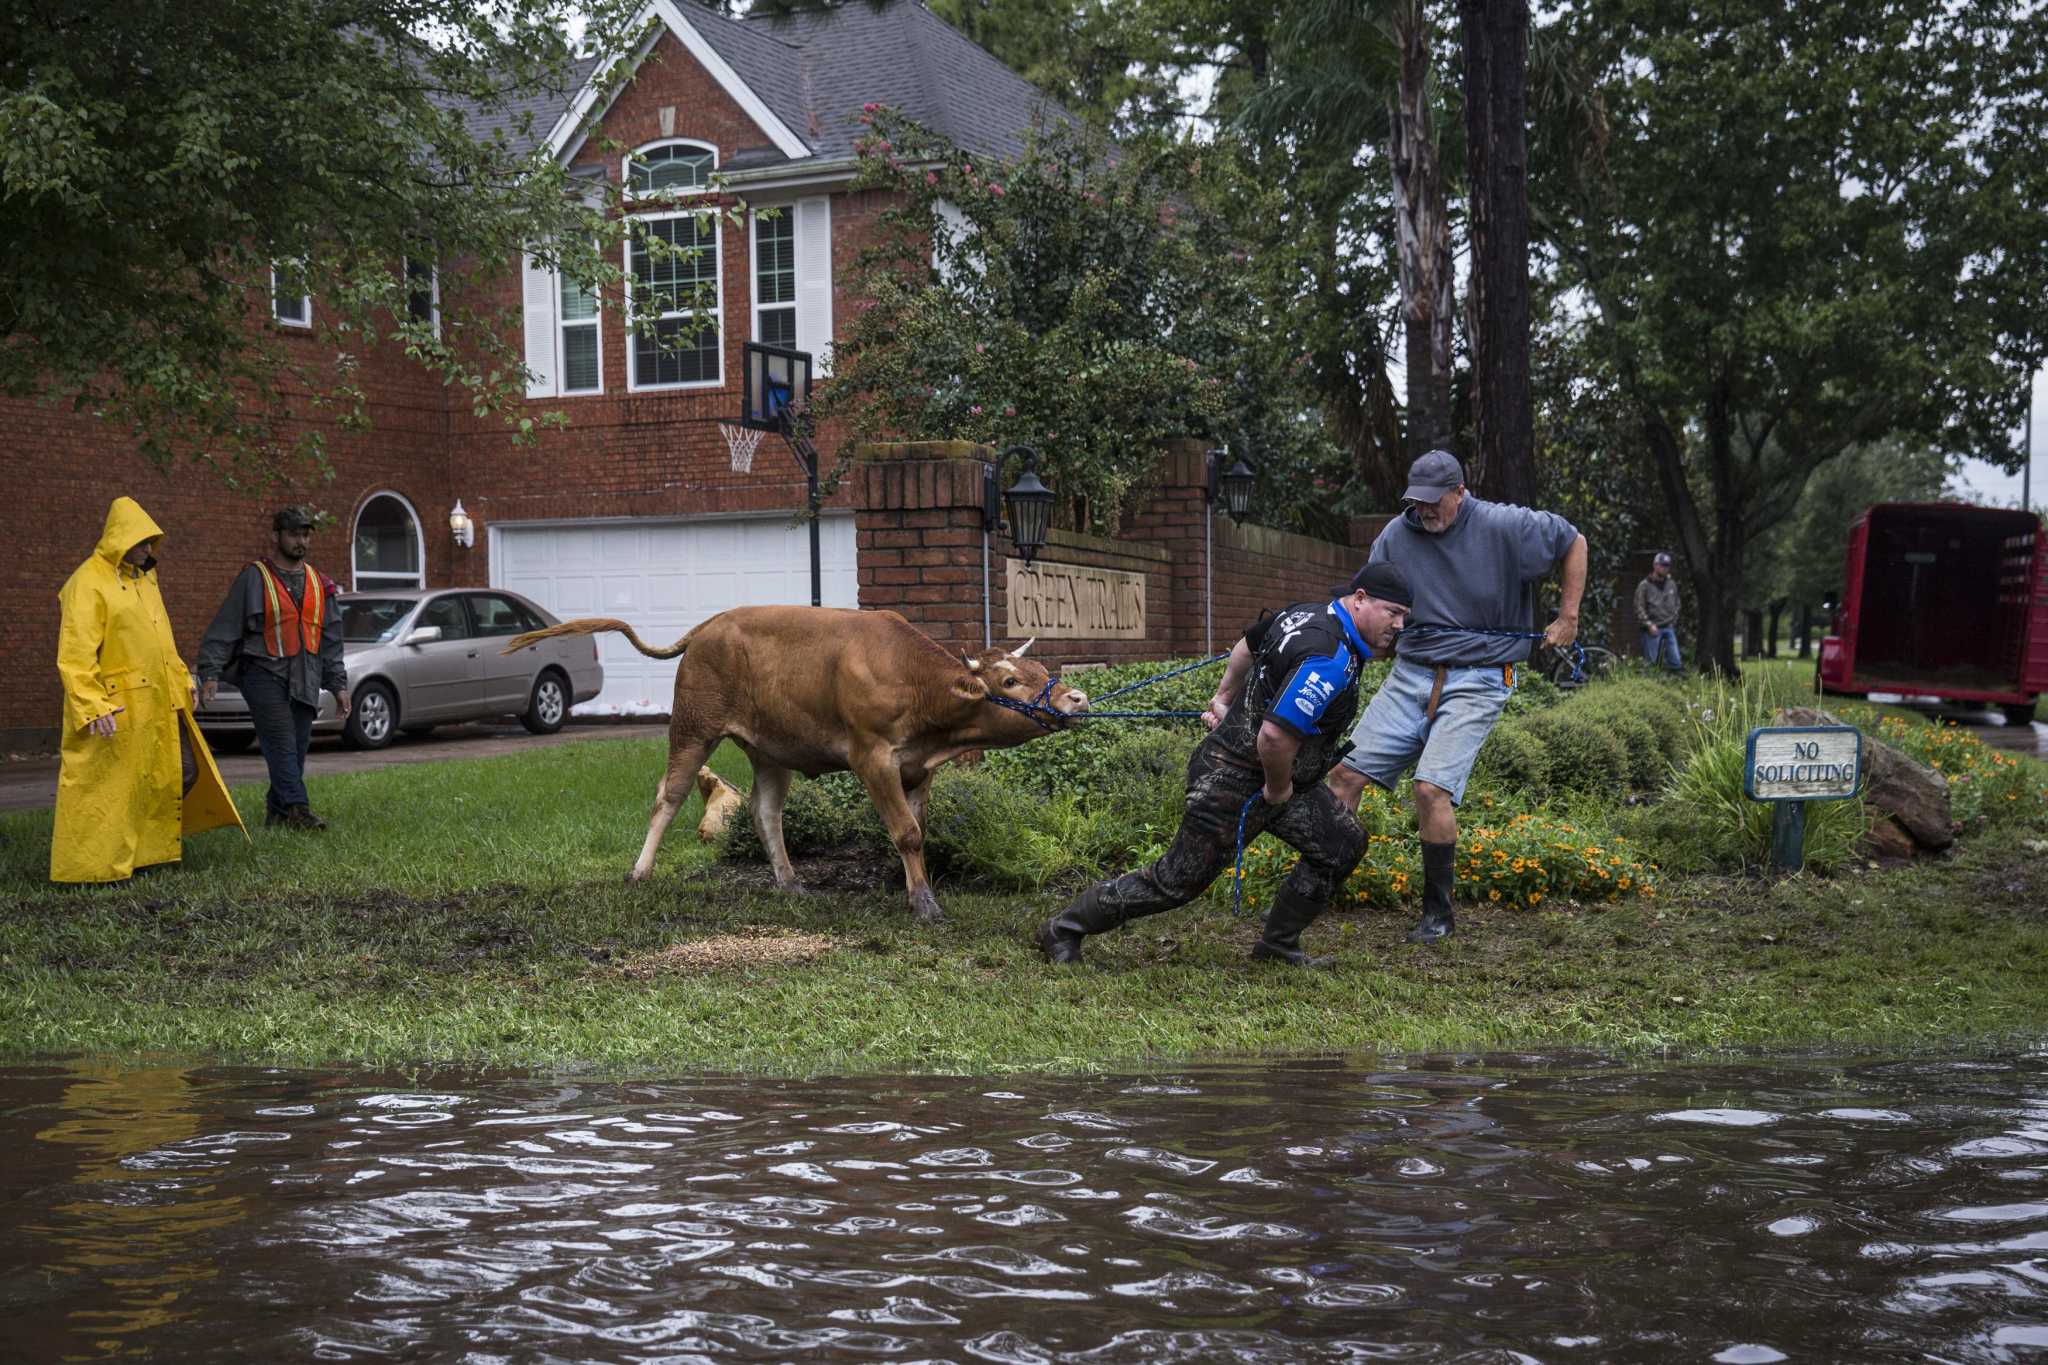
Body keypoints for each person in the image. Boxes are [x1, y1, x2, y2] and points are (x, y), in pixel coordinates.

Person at [1034, 563, 1414, 968]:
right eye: (1393, 612)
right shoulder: (1329, 657)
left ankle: (1278, 945)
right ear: (1359, 600)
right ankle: (1063, 929)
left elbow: (1248, 645)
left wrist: (1224, 697)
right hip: (1233, 777)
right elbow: (1274, 737)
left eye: (1405, 616)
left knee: (1342, 842)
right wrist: (1278, 790)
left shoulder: (1304, 614)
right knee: (1175, 881)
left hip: (1278, 774)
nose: (1400, 624)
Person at [1326, 450, 1587, 945]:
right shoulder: (1396, 535)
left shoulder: (1505, 525)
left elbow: (1574, 540)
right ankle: (1320, 883)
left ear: (1460, 492)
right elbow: (1368, 596)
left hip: (1481, 676)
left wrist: (1567, 616)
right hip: (1411, 672)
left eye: (1434, 502)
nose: (1424, 511)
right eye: (1416, 502)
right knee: (1343, 774)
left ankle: (1437, 914)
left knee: (1430, 789)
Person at [52, 498, 246, 883]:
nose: (149, 550)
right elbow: (75, 654)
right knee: (109, 788)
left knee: (172, 773)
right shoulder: (86, 583)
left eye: (151, 543)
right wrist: (92, 705)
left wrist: (181, 681)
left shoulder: (145, 580)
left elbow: (162, 642)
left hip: (158, 701)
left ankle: (144, 851)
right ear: (120, 540)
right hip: (118, 707)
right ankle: (94, 867)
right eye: (143, 543)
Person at [196, 507, 351, 830]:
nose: (301, 541)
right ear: (275, 536)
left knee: (295, 748)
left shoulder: (320, 583)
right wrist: (209, 673)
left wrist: (338, 686)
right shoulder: (254, 577)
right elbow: (224, 629)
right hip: (263, 674)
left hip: (306, 675)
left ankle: (277, 813)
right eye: (294, 534)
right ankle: (299, 810)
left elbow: (331, 640)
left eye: (306, 534)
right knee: (280, 740)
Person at [1635, 551, 1682, 672]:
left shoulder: (1671, 584)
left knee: (1675, 661)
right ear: (1655, 566)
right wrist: (1649, 624)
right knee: (1652, 663)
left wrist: (1674, 620)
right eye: (1662, 565)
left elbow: (1677, 603)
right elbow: (1639, 607)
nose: (1665, 568)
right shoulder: (1644, 585)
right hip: (1652, 628)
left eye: (1667, 565)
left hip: (1669, 626)